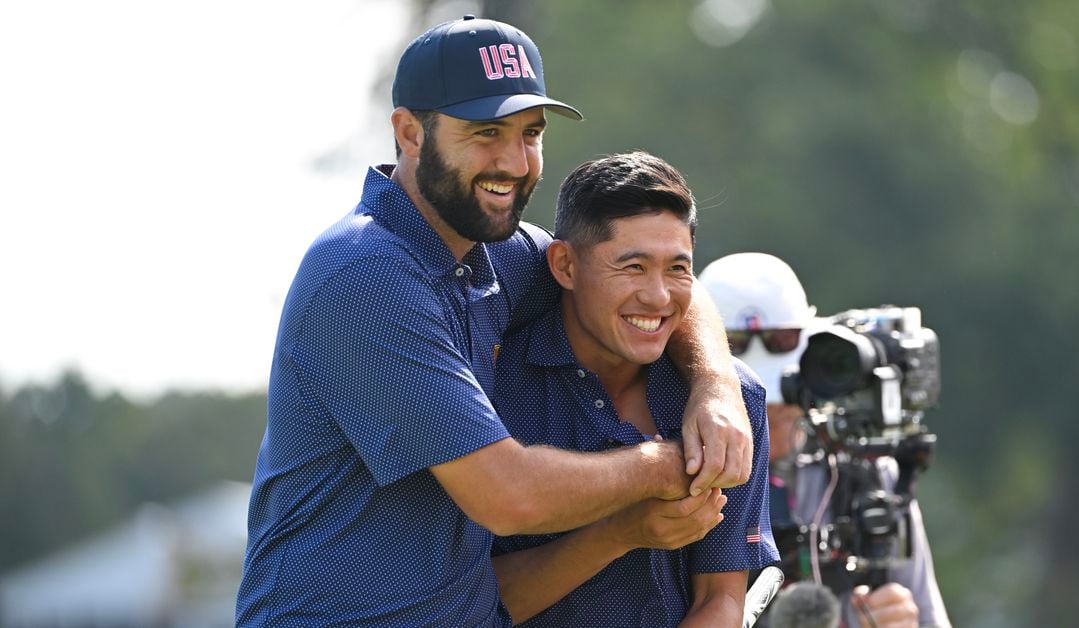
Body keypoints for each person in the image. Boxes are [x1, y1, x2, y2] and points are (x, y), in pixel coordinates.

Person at [236, 17, 753, 626]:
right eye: (485, 132)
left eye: (529, 134)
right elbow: (510, 496)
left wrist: (716, 390)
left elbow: (654, 289)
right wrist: (676, 464)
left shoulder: (490, 251)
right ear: (409, 132)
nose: (513, 161)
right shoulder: (363, 274)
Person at [488, 152, 779, 626]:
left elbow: (721, 601)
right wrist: (617, 533)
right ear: (564, 265)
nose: (659, 296)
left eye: (678, 268)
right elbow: (466, 604)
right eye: (633, 267)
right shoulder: (492, 392)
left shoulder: (732, 404)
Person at [699, 252, 951, 628]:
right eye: (749, 403)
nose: (768, 414)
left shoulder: (865, 475)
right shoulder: (679, 478)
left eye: (782, 399)